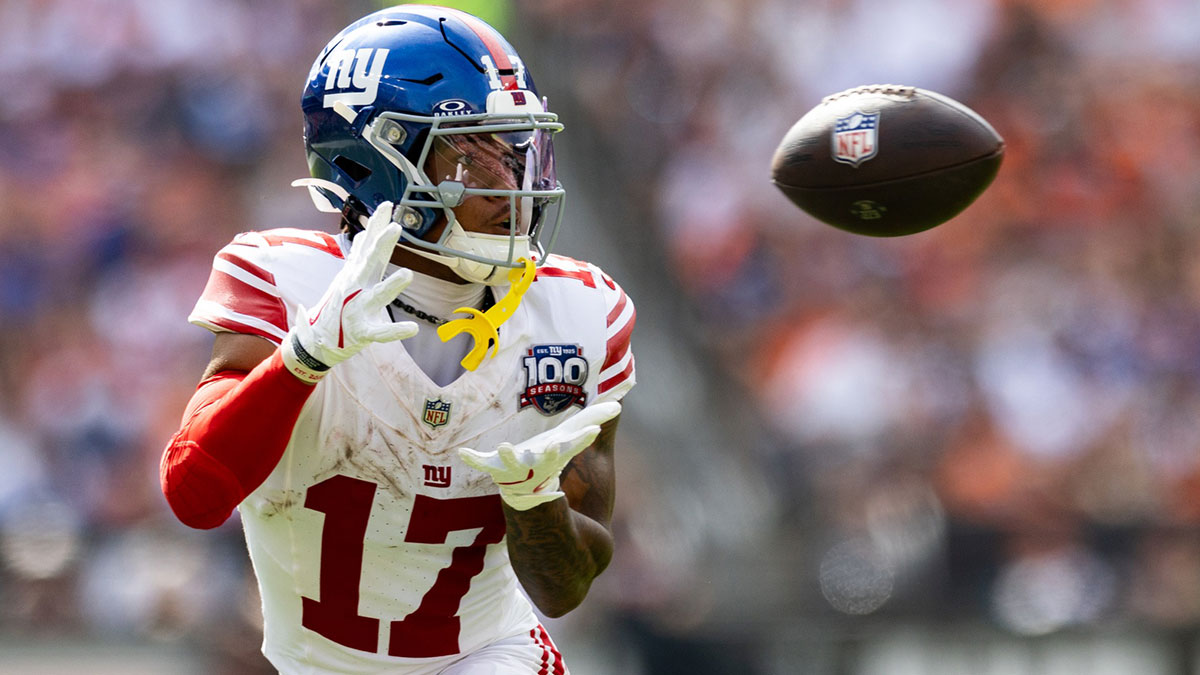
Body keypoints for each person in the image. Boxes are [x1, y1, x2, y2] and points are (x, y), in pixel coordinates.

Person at [158, 5, 636, 673]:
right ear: (372, 162)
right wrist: (301, 359)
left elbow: (567, 588)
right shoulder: (286, 280)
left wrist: (535, 503)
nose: (511, 184)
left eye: (514, 148)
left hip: (489, 653)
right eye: (470, 151)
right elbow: (195, 494)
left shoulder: (580, 312)